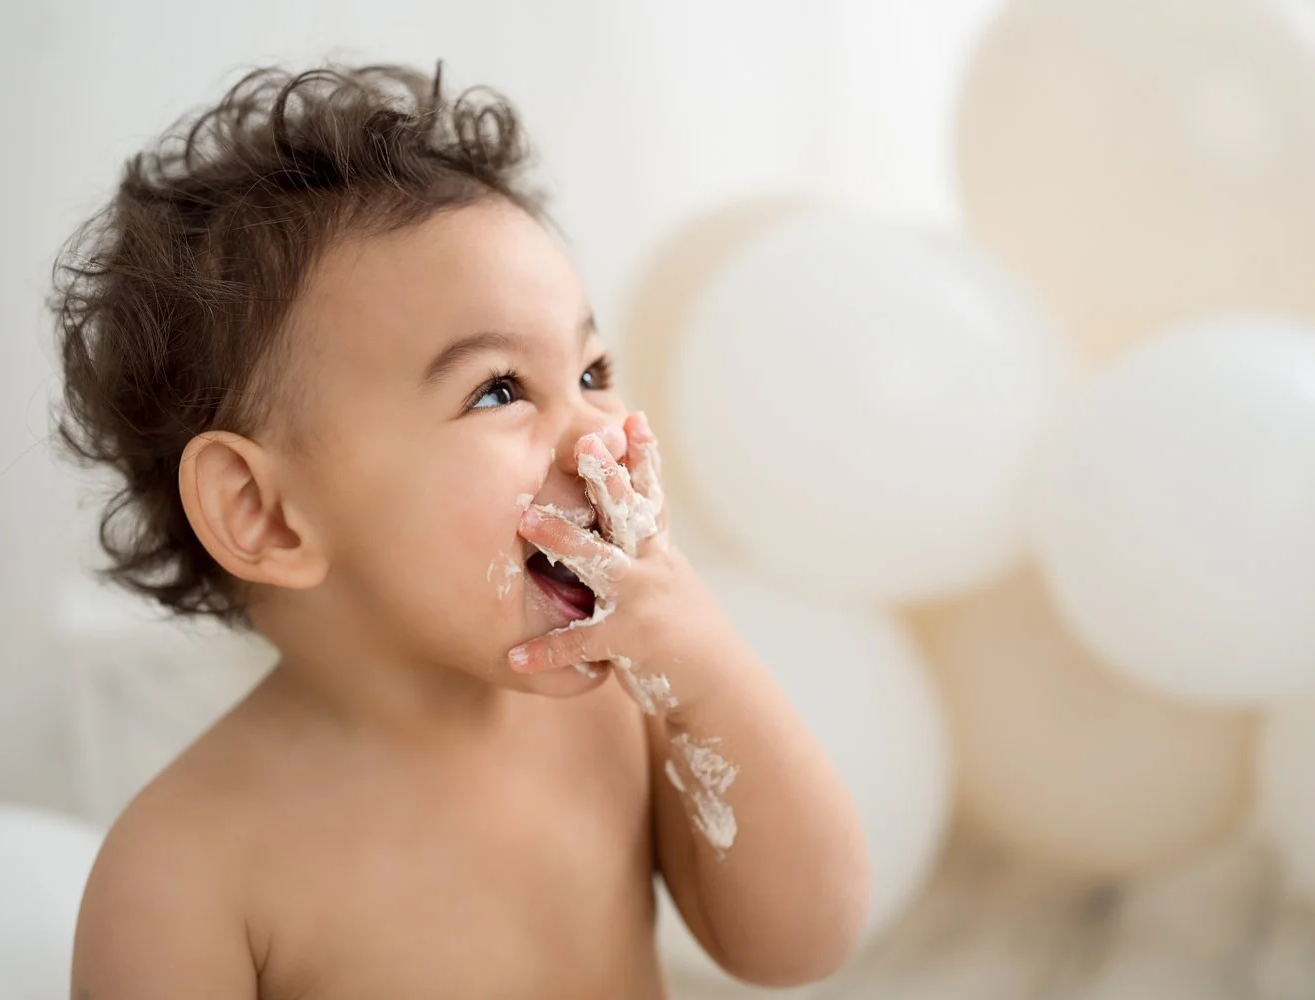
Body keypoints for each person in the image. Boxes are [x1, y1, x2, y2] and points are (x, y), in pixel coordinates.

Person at [52, 62, 867, 999]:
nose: (604, 433)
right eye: (500, 390)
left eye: (594, 371)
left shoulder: (620, 713)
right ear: (265, 514)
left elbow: (800, 944)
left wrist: (710, 674)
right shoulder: (186, 871)